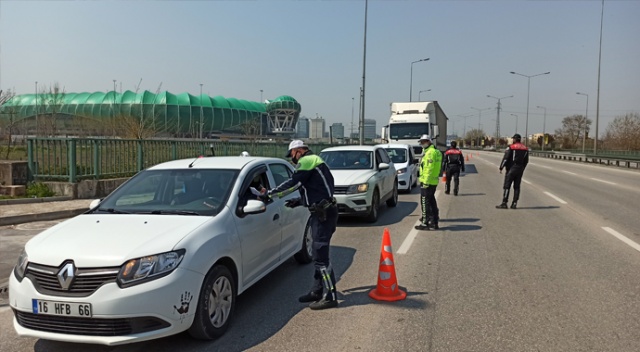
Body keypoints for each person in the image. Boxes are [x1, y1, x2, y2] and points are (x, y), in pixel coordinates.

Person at [267, 140, 339, 310]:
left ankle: (330, 296)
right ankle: (316, 291)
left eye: (292, 154)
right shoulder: (315, 162)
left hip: (323, 214)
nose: (293, 160)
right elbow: (317, 189)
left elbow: (294, 183)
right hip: (324, 211)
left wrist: (270, 194)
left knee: (321, 257)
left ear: (299, 150)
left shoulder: (307, 161)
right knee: (317, 255)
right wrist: (299, 202)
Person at [415, 135, 442, 231]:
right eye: (421, 142)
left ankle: (425, 222)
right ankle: (434, 222)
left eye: (423, 142)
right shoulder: (436, 152)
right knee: (431, 201)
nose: (422, 144)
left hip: (428, 181)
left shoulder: (430, 153)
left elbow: (428, 169)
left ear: (428, 141)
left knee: (425, 202)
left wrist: (425, 182)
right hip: (433, 181)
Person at [496, 133, 529, 209]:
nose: (512, 140)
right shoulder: (525, 148)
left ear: (515, 139)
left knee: (507, 186)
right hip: (520, 169)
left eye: (513, 139)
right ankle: (514, 203)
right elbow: (526, 161)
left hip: (511, 169)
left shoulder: (511, 147)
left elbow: (506, 158)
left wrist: (501, 167)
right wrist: (522, 168)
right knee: (517, 187)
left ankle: (504, 202)